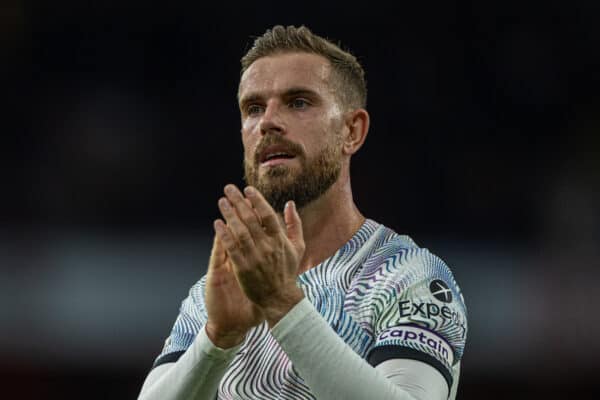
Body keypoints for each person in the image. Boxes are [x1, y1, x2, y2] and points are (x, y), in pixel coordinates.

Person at [138, 25, 467, 400]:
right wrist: (217, 339)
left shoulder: (409, 278)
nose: (268, 123)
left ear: (352, 131)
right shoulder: (213, 298)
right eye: (254, 108)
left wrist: (283, 305)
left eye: (298, 102)